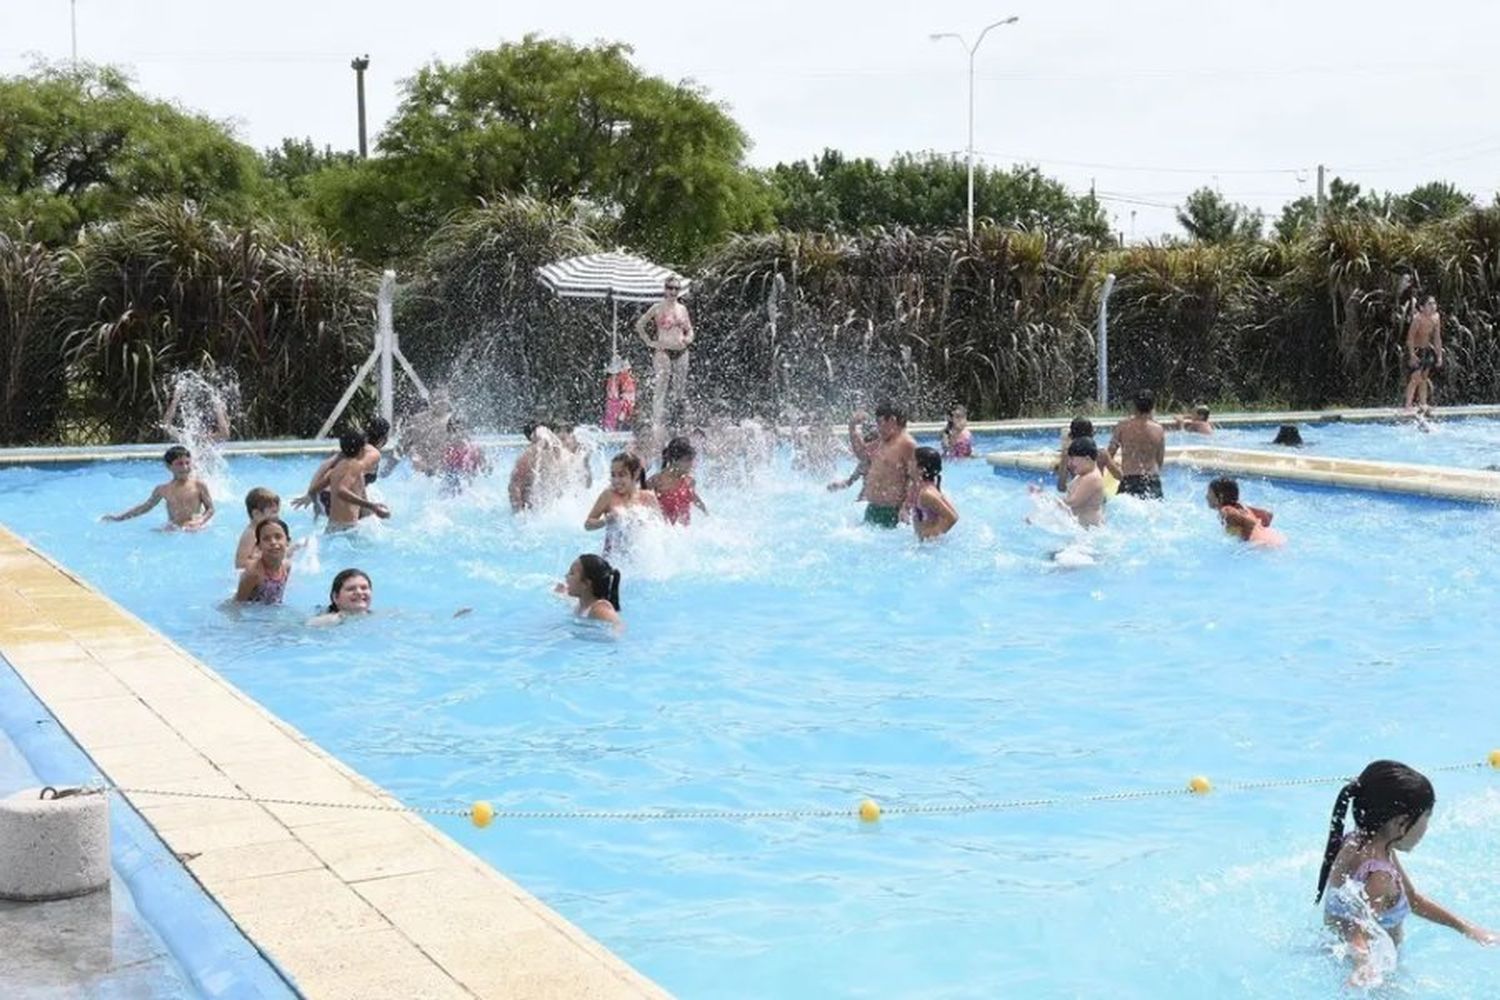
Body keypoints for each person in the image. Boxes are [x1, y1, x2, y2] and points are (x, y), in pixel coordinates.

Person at [1316, 760, 1497, 987]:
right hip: (1375, 975)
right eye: (1426, 819)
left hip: (1341, 959)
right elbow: (1358, 929)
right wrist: (1364, 963)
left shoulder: (1359, 842)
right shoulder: (1380, 875)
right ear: (1401, 823)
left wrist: (1468, 928)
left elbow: (1414, 900)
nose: (1426, 829)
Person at [102, 445, 214, 529]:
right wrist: (119, 518)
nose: (184, 467)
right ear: (169, 466)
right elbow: (145, 507)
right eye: (179, 463)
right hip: (173, 529)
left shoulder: (199, 485)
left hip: (194, 529)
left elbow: (210, 509)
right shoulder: (163, 489)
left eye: (187, 463)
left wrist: (200, 521)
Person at [293, 419, 388, 516]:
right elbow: (352, 476)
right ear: (382, 439)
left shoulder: (354, 447)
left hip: (324, 496)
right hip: (339, 498)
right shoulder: (373, 454)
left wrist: (311, 494)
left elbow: (325, 465)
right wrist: (370, 507)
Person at [847, 403, 919, 528]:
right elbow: (862, 454)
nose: (878, 428)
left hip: (892, 512)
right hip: (873, 508)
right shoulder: (884, 441)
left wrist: (906, 507)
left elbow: (917, 479)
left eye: (880, 423)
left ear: (892, 420)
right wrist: (852, 427)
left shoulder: (908, 444)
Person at [635, 278, 693, 428]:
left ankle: (676, 421)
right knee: (661, 386)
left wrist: (688, 339)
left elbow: (689, 329)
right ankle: (656, 423)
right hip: (663, 351)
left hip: (681, 350)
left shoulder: (682, 309)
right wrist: (649, 342)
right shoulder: (657, 308)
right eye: (670, 288)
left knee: (679, 389)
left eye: (676, 289)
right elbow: (640, 325)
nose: (673, 291)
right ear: (665, 289)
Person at [584, 452, 659, 555]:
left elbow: (660, 530)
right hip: (613, 559)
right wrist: (606, 521)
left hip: (642, 557)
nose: (616, 480)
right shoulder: (608, 496)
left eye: (622, 475)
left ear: (636, 474)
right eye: (613, 475)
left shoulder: (648, 497)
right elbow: (588, 525)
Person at [1104, 391, 1167, 499]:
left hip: (1129, 480)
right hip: (1152, 481)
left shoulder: (1123, 427)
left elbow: (1108, 455)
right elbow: (1160, 461)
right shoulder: (1159, 430)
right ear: (1152, 407)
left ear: (1134, 406)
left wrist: (1117, 473)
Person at [1033, 437, 1106, 527]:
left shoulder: (1092, 478)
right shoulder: (1083, 475)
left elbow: (1072, 502)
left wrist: (1047, 499)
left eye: (1073, 459)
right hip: (1081, 528)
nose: (1069, 464)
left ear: (1087, 459)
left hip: (1088, 533)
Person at [325, 431, 390, 532]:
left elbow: (322, 485)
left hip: (333, 526)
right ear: (361, 450)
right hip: (346, 529)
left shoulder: (339, 467)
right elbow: (341, 490)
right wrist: (372, 506)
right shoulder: (355, 468)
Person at [1205, 477, 1284, 547]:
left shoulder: (1226, 511)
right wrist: (1260, 532)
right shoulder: (1241, 507)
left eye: (1209, 493)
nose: (1207, 497)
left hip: (1264, 546)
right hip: (1275, 540)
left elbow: (1250, 523)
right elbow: (1268, 515)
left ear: (1220, 496)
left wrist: (1245, 545)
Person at [648, 436, 708, 526]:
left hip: (684, 534)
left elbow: (697, 501)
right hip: (664, 533)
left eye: (691, 460)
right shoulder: (656, 481)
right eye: (687, 460)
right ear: (674, 460)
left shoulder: (689, 482)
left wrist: (707, 516)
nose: (691, 464)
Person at [558, 553, 624, 632]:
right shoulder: (583, 604)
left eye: (571, 573)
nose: (566, 576)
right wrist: (562, 593)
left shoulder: (599, 608)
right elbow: (571, 603)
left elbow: (618, 628)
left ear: (586, 584)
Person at [235, 518, 292, 605]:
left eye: (278, 537)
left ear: (287, 541)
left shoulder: (286, 567)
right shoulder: (253, 573)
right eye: (266, 539)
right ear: (259, 546)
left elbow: (277, 599)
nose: (273, 542)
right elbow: (237, 605)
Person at [1403, 294, 1444, 414]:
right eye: (1429, 304)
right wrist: (1411, 355)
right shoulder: (1418, 319)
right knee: (1415, 378)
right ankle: (1408, 405)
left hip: (1427, 350)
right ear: (1421, 307)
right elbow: (1410, 338)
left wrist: (1439, 355)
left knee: (1424, 378)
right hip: (1415, 350)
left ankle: (1423, 404)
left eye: (1434, 303)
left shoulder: (1436, 317)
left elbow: (1437, 338)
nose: (1433, 306)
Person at [907, 447, 959, 540]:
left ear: (921, 469)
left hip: (932, 547)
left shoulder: (927, 494)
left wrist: (930, 536)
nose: (908, 463)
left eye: (912, 461)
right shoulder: (918, 487)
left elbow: (952, 518)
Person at [235, 487, 281, 569]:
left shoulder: (266, 530)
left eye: (277, 512)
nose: (277, 517)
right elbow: (240, 564)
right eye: (273, 512)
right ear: (256, 514)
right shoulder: (250, 534)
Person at [1057, 417, 1101, 492]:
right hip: (1098, 496)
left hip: (1079, 495)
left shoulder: (1068, 455)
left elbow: (1061, 487)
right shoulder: (1101, 453)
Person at [603, 358, 638, 431]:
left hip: (622, 399)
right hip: (618, 400)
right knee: (616, 414)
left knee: (620, 414)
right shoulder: (618, 379)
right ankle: (614, 427)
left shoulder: (624, 379)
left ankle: (617, 427)